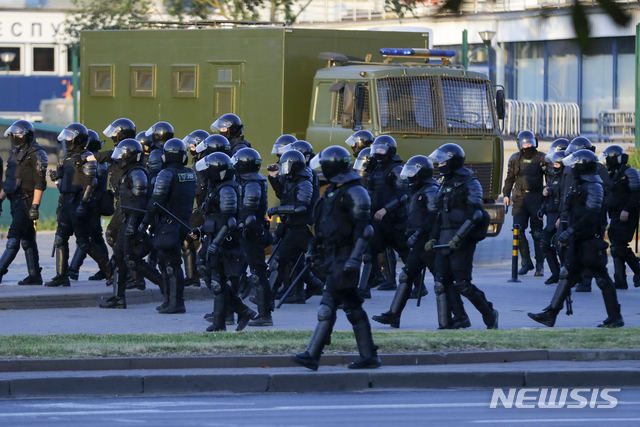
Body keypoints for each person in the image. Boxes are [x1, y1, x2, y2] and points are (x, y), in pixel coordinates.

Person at [291, 145, 380, 371]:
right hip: (333, 256)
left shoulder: (355, 192)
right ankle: (369, 355)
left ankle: (313, 354)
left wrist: (354, 259)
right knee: (351, 307)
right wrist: (313, 249)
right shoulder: (332, 191)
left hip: (346, 256)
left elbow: (365, 230)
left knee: (327, 306)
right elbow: (321, 226)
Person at [528, 149, 623, 328]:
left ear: (582, 166)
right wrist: (568, 233)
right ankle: (551, 314)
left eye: (574, 164)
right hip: (579, 241)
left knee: (601, 278)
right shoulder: (580, 184)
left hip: (590, 242)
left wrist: (570, 232)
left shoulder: (594, 187)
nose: (571, 168)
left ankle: (615, 317)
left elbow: (591, 215)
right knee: (567, 274)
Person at [427, 143, 498, 329]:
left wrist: (458, 238)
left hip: (461, 241)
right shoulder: (443, 183)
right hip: (443, 240)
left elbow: (475, 215)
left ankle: (489, 313)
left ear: (452, 160)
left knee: (463, 285)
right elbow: (439, 215)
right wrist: (433, 238)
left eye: (443, 160)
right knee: (441, 283)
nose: (439, 163)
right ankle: (457, 319)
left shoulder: (470, 183)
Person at [372, 155, 440, 328]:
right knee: (405, 276)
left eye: (412, 172)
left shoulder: (430, 190)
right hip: (417, 242)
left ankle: (463, 316)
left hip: (426, 242)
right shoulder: (417, 189)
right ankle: (394, 315)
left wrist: (419, 235)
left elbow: (434, 219)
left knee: (442, 281)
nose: (408, 175)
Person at [192, 152, 256, 331]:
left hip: (226, 242)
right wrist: (199, 231)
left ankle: (232, 317)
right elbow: (214, 219)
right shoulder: (218, 187)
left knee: (218, 281)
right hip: (216, 238)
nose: (204, 174)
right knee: (216, 280)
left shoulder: (227, 189)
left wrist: (215, 243)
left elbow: (229, 221)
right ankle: (227, 319)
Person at [46, 123, 111, 287]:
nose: (66, 139)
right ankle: (61, 275)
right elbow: (64, 182)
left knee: (84, 242)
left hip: (79, 202)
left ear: (78, 138)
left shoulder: (87, 157)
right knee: (60, 239)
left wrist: (83, 203)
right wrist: (56, 176)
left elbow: (91, 182)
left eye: (69, 136)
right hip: (66, 202)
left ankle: (111, 271)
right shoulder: (67, 157)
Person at [139, 138, 196, 314]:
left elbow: (156, 201)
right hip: (183, 223)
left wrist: (145, 222)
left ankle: (176, 303)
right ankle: (169, 301)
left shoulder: (166, 174)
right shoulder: (189, 174)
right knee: (166, 263)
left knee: (171, 263)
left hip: (168, 224)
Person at [100, 139, 149, 309]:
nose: (119, 157)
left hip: (132, 221)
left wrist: (133, 223)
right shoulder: (128, 172)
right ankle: (118, 297)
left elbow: (139, 202)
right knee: (120, 257)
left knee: (132, 260)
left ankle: (168, 290)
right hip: (125, 220)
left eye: (122, 154)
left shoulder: (137, 174)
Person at [0, 120, 47, 285]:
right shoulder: (15, 153)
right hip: (15, 200)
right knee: (27, 239)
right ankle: (35, 275)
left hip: (26, 201)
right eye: (14, 134)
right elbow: (10, 181)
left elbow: (40, 184)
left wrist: (35, 206)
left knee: (13, 239)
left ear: (27, 135)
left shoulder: (37, 153)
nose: (15, 136)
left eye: (18, 134)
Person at [267, 149, 315, 304]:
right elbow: (283, 196)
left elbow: (302, 207)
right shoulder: (291, 180)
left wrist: (277, 210)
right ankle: (267, 298)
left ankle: (336, 292)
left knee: (319, 263)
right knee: (278, 260)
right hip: (292, 229)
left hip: (303, 230)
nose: (284, 169)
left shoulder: (305, 182)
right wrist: (274, 178)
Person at [232, 148, 273, 326]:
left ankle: (265, 315)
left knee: (257, 272)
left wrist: (242, 225)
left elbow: (250, 207)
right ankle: (265, 309)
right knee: (257, 270)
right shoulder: (255, 179)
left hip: (252, 231)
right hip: (255, 229)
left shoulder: (251, 183)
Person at [365, 136, 408, 292]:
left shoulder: (397, 169)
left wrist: (386, 209)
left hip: (394, 220)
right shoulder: (376, 168)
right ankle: (366, 287)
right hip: (377, 219)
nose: (378, 153)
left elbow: (403, 195)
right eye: (376, 149)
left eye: (381, 149)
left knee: (405, 253)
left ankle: (418, 286)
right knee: (369, 252)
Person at [503, 130, 547, 276]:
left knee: (537, 233)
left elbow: (552, 177)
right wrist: (505, 194)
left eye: (530, 142)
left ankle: (540, 264)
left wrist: (549, 192)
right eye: (525, 142)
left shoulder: (542, 158)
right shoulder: (515, 158)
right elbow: (509, 178)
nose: (527, 145)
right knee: (518, 231)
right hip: (519, 199)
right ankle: (526, 262)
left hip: (536, 198)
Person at [68, 130, 110, 281]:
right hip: (95, 202)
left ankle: (74, 269)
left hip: (91, 202)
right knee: (96, 236)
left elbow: (90, 182)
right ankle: (105, 267)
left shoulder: (93, 161)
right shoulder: (100, 161)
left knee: (85, 237)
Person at [599, 145, 640, 289]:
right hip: (615, 215)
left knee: (618, 246)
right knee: (616, 248)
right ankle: (620, 281)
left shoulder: (630, 172)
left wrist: (627, 210)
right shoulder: (611, 175)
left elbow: (636, 194)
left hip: (628, 215)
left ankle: (638, 269)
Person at [537, 150, 566, 285]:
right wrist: (542, 209)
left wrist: (562, 217)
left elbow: (566, 200)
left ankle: (567, 274)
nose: (554, 165)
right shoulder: (553, 177)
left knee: (562, 247)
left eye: (557, 163)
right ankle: (555, 273)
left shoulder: (567, 178)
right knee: (545, 244)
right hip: (551, 216)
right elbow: (549, 197)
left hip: (560, 217)